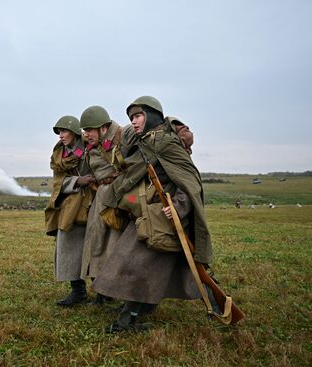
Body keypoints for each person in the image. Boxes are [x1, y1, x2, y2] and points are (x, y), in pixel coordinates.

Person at [92, 96, 213, 332]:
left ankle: (126, 321)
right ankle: (136, 311)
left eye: (138, 116)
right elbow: (123, 140)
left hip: (164, 218)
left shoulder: (167, 142)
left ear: (151, 116)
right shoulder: (143, 141)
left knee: (139, 267)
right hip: (146, 215)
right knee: (146, 267)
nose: (134, 122)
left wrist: (178, 206)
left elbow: (190, 182)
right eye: (132, 118)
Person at [45, 115, 95, 306]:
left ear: (74, 132)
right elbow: (58, 181)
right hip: (70, 207)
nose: (60, 135)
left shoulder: (91, 147)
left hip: (94, 202)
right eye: (59, 132)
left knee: (97, 247)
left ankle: (103, 291)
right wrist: (76, 181)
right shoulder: (59, 154)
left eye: (64, 131)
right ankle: (78, 290)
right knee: (67, 245)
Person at [78, 105, 125, 305]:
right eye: (84, 130)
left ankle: (121, 293)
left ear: (104, 128)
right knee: (95, 243)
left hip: (120, 195)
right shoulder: (89, 144)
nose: (86, 135)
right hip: (100, 196)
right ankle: (101, 291)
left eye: (90, 130)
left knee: (114, 246)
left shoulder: (122, 136)